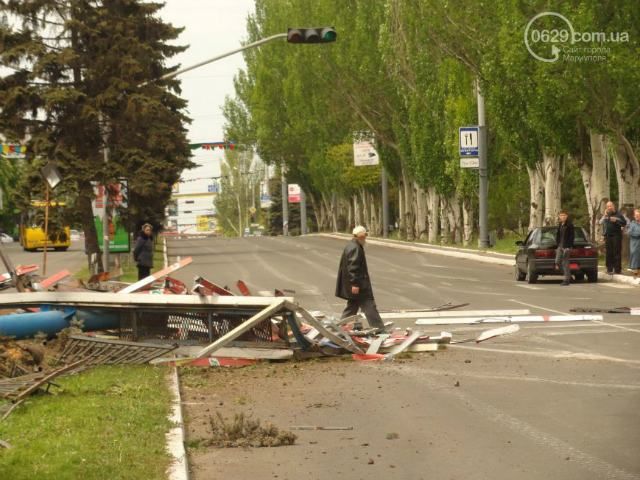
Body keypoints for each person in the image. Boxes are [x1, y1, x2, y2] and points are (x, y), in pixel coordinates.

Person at [335, 225, 385, 332]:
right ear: (361, 236)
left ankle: (340, 327)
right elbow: (353, 267)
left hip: (356, 284)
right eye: (365, 236)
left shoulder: (351, 245)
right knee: (369, 306)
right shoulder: (355, 248)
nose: (366, 238)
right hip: (360, 285)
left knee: (352, 306)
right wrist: (355, 284)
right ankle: (379, 329)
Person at [599, 201, 627, 274]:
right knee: (609, 253)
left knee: (616, 252)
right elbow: (600, 223)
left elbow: (624, 223)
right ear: (606, 208)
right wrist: (603, 235)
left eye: (610, 206)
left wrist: (616, 221)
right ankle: (609, 269)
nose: (609, 208)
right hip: (608, 236)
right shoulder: (606, 215)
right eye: (608, 206)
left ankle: (617, 269)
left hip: (616, 236)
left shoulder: (619, 214)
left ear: (613, 206)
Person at [554, 210, 574, 286]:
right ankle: (568, 276)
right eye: (561, 215)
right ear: (559, 216)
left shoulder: (569, 225)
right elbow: (558, 235)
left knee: (565, 263)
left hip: (567, 247)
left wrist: (568, 247)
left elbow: (572, 237)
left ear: (567, 216)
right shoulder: (560, 224)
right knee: (557, 262)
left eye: (564, 215)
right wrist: (558, 244)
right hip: (560, 246)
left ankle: (566, 280)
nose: (562, 217)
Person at [629, 208, 640, 278]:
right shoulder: (632, 224)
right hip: (635, 242)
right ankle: (635, 271)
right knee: (635, 254)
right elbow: (630, 232)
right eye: (636, 216)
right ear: (634, 216)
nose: (637, 217)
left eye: (638, 215)